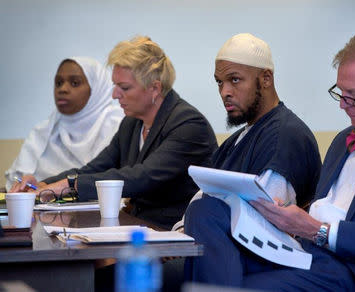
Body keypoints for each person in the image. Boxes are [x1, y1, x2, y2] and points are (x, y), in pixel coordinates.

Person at [184, 29, 355, 291]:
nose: (343, 105)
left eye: (353, 96)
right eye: (340, 92)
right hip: (304, 253)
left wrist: (317, 230)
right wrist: (282, 217)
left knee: (221, 279)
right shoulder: (343, 139)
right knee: (205, 210)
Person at [11, 36, 217, 230]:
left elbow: (141, 177)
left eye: (124, 87)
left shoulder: (188, 125)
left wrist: (69, 185)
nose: (114, 94)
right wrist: (45, 184)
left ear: (154, 88)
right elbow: (96, 167)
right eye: (114, 85)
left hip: (177, 236)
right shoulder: (132, 124)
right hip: (139, 228)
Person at [179, 32, 321, 285]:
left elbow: (265, 216)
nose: (225, 92)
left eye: (235, 80)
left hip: (269, 256)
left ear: (266, 79)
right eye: (219, 83)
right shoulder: (238, 138)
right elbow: (201, 196)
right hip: (224, 250)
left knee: (205, 211)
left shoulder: (286, 135)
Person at [5, 57, 124, 191]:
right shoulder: (43, 132)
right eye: (59, 83)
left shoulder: (119, 125)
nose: (63, 89)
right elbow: (16, 183)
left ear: (96, 88)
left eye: (74, 83)